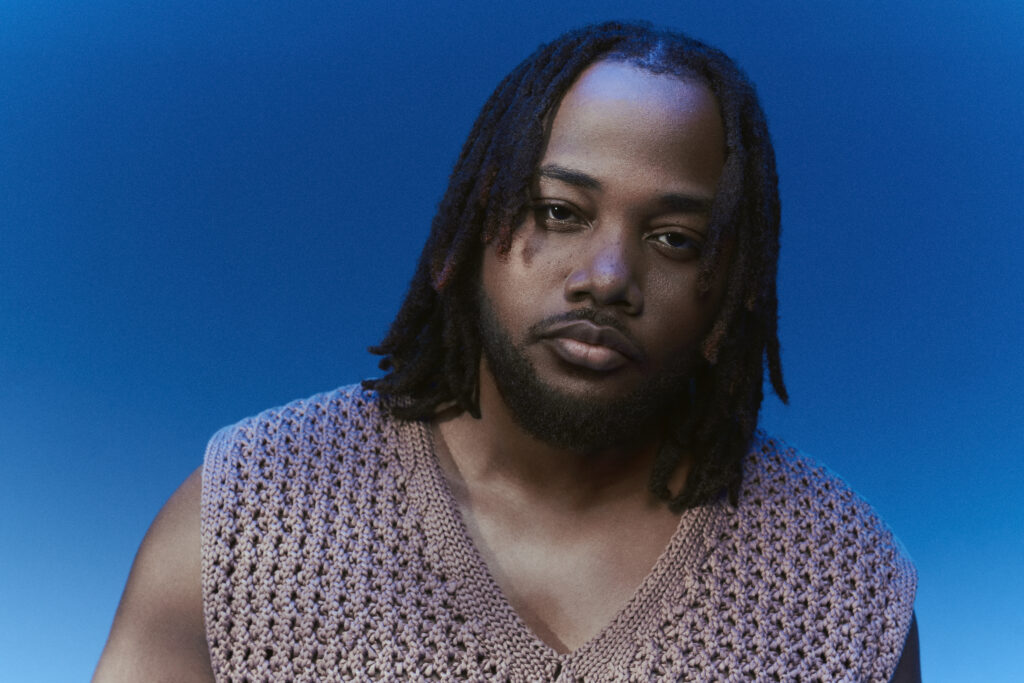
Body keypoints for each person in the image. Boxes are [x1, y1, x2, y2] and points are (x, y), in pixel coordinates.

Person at [94, 21, 919, 682]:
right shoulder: (250, 514)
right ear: (471, 233)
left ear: (732, 295)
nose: (607, 277)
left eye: (673, 239)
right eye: (560, 212)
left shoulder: (845, 587)